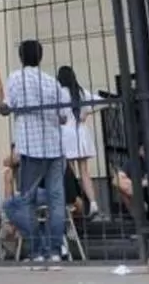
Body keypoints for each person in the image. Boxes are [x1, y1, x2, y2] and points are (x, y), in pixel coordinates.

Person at [0, 39, 67, 271]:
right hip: (55, 147)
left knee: (25, 202)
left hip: (31, 148)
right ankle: (54, 253)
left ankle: (37, 251)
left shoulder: (16, 78)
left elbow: (4, 108)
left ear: (21, 57)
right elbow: (63, 117)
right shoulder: (51, 82)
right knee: (56, 201)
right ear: (40, 57)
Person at [56, 66, 102, 218]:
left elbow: (59, 114)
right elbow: (101, 101)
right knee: (85, 171)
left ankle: (75, 203)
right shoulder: (81, 92)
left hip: (66, 133)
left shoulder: (60, 93)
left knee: (70, 172)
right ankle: (93, 203)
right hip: (81, 132)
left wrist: (61, 119)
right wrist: (86, 113)